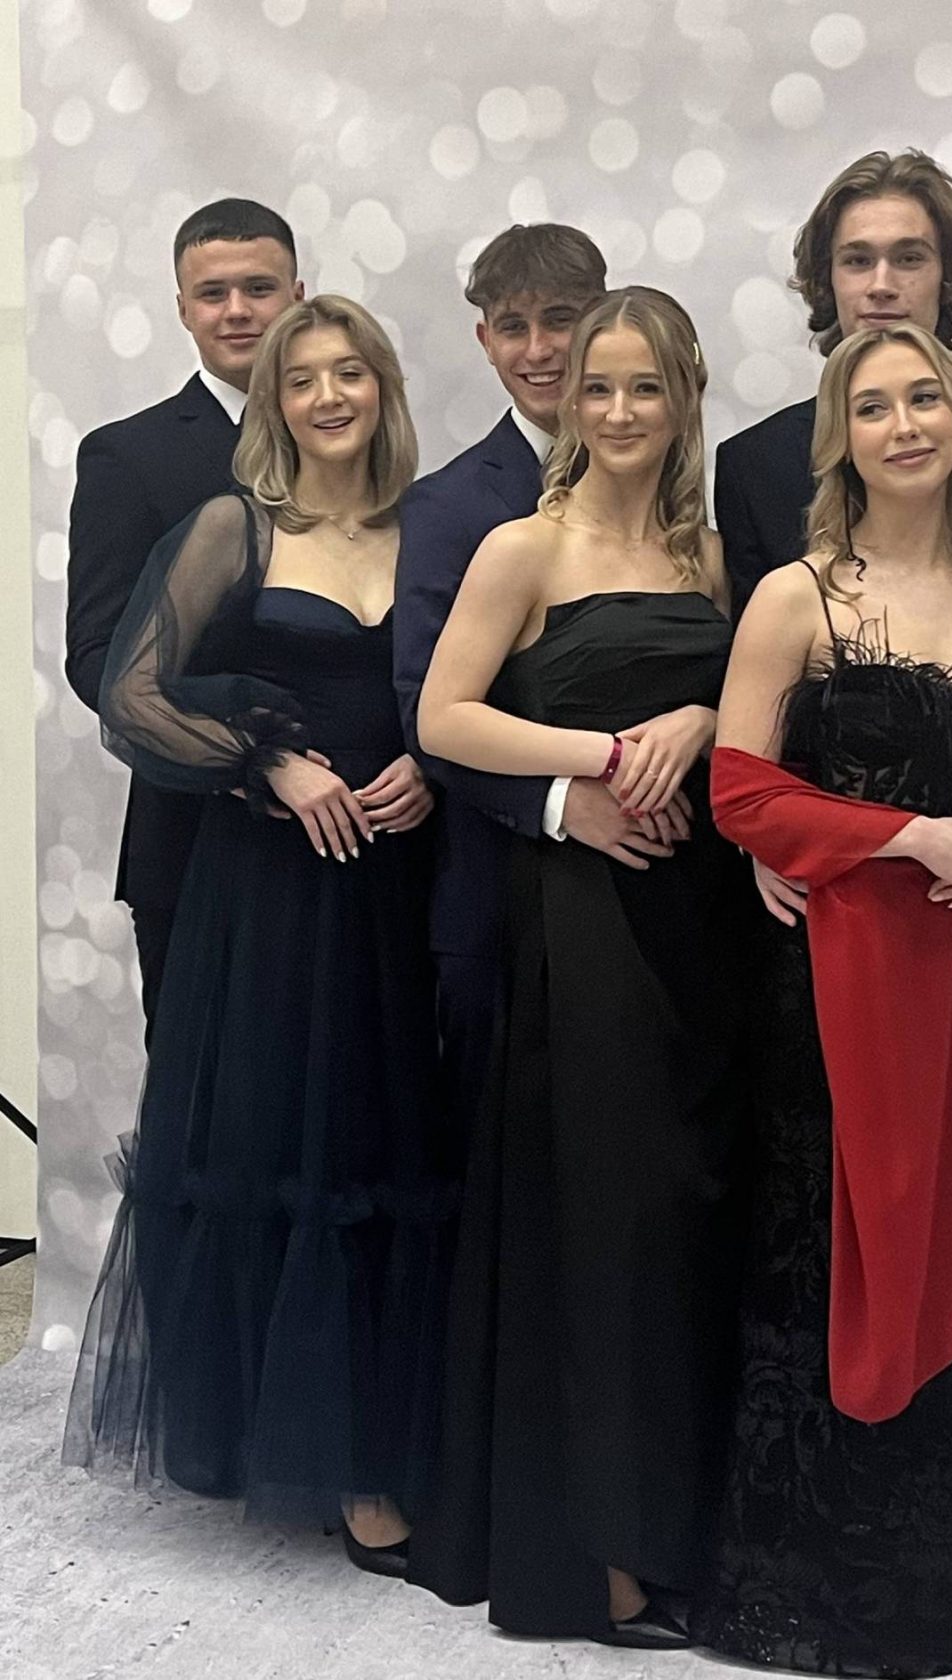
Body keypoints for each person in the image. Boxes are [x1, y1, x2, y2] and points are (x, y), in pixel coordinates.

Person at [713, 149, 952, 1572]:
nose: (880, 282)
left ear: (949, 282)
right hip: (835, 926)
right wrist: (785, 848)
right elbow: (750, 738)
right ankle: (831, 1531)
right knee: (839, 1208)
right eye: (856, 258)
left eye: (908, 256)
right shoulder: (758, 477)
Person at [63, 296, 455, 1579]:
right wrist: (267, 762)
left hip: (397, 885)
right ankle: (319, 1459)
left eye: (351, 373)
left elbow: (467, 692)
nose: (330, 396)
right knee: (290, 1139)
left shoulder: (430, 529)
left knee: (388, 1139)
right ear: (274, 404)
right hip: (272, 893)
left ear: (383, 388)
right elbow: (132, 695)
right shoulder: (237, 525)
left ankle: (383, 1441)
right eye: (303, 379)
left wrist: (429, 770)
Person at [411, 287, 746, 1647]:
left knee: (690, 1214)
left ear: (683, 399)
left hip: (707, 919)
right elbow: (444, 718)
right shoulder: (523, 545)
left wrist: (698, 714)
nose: (614, 410)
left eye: (641, 388)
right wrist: (598, 760)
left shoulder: (711, 556)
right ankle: (594, 1559)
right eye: (596, 386)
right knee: (602, 1221)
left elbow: (758, 696)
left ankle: (681, 1524)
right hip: (583, 914)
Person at [395, 224, 682, 1147]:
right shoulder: (448, 506)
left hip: (668, 883)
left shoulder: (677, 496)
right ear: (484, 341)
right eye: (512, 327)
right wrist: (559, 801)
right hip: (503, 891)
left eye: (560, 319)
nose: (538, 349)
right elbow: (423, 709)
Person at [65, 199, 304, 1033]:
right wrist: (248, 756)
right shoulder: (128, 455)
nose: (237, 310)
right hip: (195, 838)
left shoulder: (353, 438)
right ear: (181, 309)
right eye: (213, 293)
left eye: (259, 288)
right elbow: (97, 657)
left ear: (298, 296)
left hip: (357, 836)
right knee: (202, 1092)